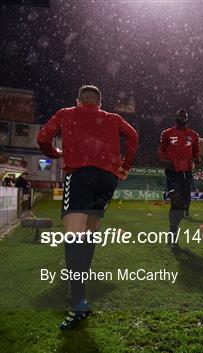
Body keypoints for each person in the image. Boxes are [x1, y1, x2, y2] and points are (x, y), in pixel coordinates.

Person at [37, 85, 139, 330]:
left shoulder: (67, 113)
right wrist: (126, 165)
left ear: (79, 101)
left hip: (80, 174)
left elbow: (42, 138)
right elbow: (133, 136)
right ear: (99, 103)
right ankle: (80, 290)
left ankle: (78, 300)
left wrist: (54, 152)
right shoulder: (112, 118)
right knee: (90, 231)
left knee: (73, 234)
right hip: (107, 179)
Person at [160, 109, 200, 254]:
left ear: (187, 119)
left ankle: (174, 227)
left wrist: (196, 159)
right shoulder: (167, 133)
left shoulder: (193, 135)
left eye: (184, 117)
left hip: (187, 173)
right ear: (176, 118)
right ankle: (172, 233)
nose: (182, 119)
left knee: (183, 204)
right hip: (173, 173)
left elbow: (196, 152)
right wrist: (165, 161)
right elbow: (162, 150)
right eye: (180, 117)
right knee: (175, 200)